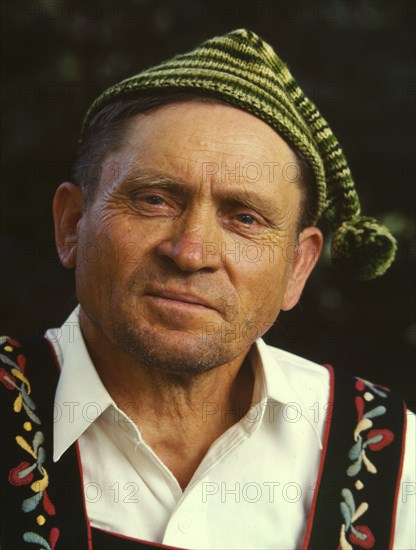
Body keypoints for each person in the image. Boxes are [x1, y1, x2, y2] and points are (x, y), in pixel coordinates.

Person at [1, 29, 414, 550]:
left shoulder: (396, 464)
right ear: (71, 226)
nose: (192, 252)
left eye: (245, 218)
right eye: (154, 200)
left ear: (298, 267)